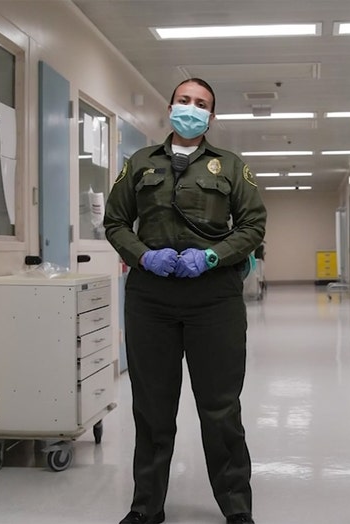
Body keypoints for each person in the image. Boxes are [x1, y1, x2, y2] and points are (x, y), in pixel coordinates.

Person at [104, 78, 266, 524]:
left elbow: (253, 226)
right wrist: (143, 256)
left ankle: (236, 509)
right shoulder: (138, 163)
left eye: (202, 104)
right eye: (184, 101)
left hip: (214, 299)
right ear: (170, 107)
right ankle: (145, 508)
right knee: (152, 409)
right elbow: (115, 222)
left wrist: (213, 255)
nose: (191, 109)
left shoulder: (230, 166)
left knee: (220, 409)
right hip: (150, 299)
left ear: (211, 117)